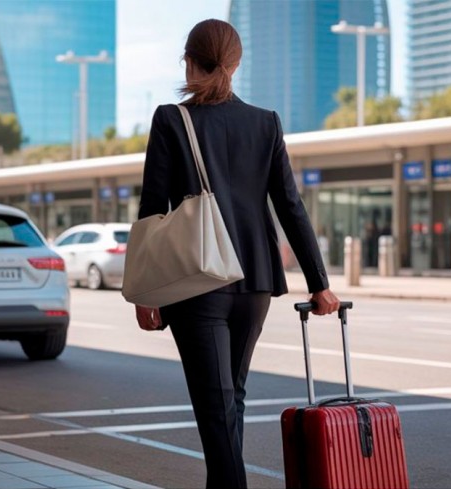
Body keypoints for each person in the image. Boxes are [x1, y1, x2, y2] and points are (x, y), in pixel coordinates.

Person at [133, 19, 340, 488]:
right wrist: (319, 284)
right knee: (230, 401)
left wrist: (146, 292)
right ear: (236, 64)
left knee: (215, 408)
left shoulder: (171, 119)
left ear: (188, 62)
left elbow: (153, 209)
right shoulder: (265, 122)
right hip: (255, 282)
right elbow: (290, 206)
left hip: (197, 280)